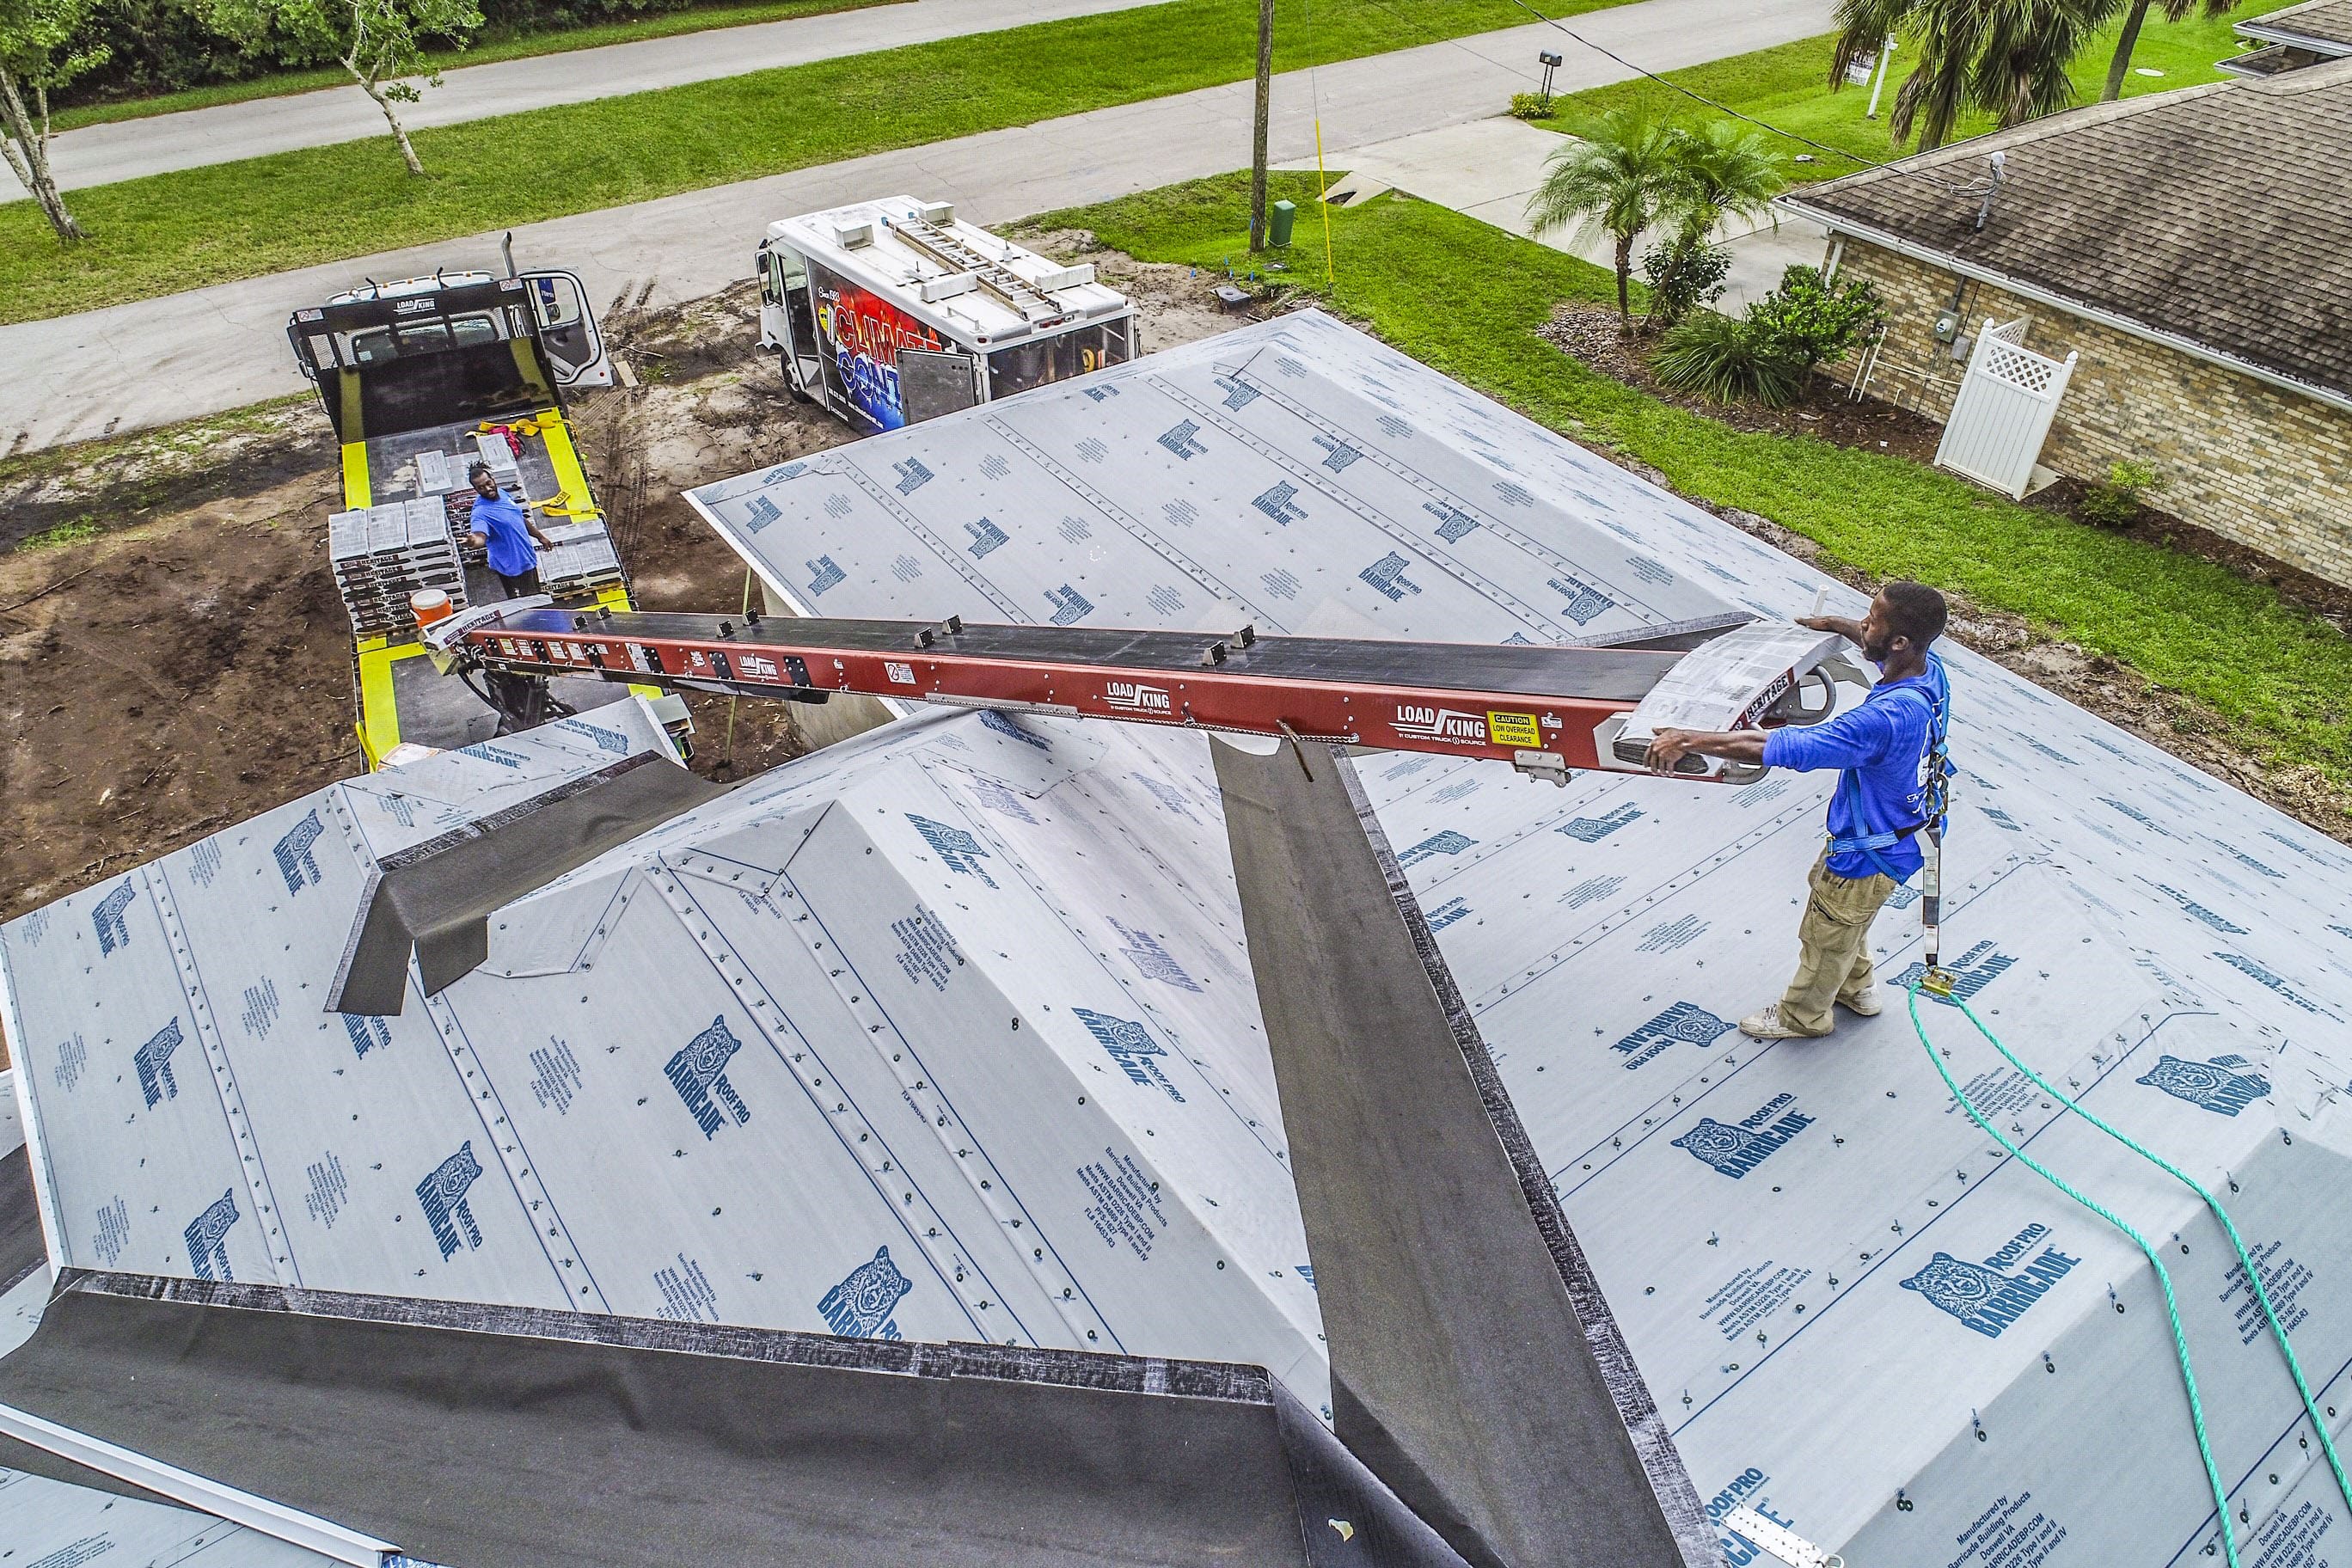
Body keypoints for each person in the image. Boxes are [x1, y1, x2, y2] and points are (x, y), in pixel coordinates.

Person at [1645, 581, 1951, 1040]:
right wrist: (1835, 626)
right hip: (1909, 836)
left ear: (1900, 642)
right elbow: (1876, 641)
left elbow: (1778, 745)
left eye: (1871, 622)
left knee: (1825, 931)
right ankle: (1858, 988)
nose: (1862, 625)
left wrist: (1688, 739)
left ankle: (1804, 1017)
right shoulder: (1930, 673)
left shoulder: (1881, 721)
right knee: (1847, 919)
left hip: (1867, 852)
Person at [464, 461, 557, 597]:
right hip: (511, 567)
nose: (488, 489)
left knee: (534, 596)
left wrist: (540, 537)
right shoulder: (481, 512)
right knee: (527, 604)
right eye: (481, 487)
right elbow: (480, 535)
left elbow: (518, 518)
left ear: (493, 480)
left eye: (488, 483)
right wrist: (474, 541)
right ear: (476, 490)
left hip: (525, 559)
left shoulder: (503, 494)